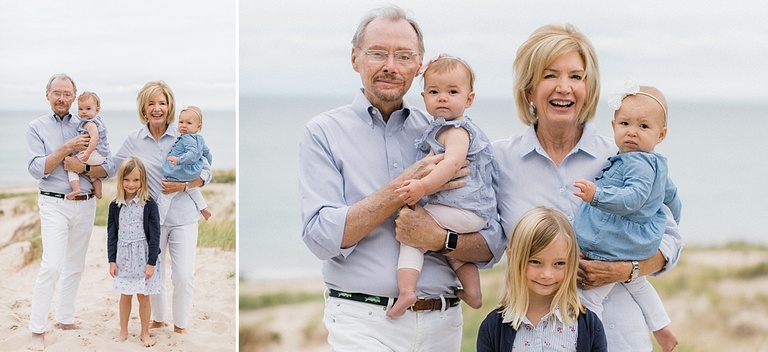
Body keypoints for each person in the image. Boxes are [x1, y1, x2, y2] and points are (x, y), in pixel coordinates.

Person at [298, 6, 504, 351]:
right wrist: (400, 189)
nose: (390, 66)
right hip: (361, 322)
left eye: (404, 56)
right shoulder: (322, 133)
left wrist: (441, 239)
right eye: (378, 53)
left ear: (419, 65)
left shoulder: (446, 131)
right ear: (355, 58)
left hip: (444, 322)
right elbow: (320, 238)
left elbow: (493, 243)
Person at [492, 24, 683, 351]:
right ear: (528, 89)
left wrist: (624, 269)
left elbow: (670, 239)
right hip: (534, 340)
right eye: (550, 75)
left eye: (576, 77)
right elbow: (487, 245)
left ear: (589, 88)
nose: (564, 87)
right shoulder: (499, 159)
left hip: (621, 337)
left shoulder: (624, 157)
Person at [573, 82, 680, 351]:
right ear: (613, 126)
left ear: (661, 134)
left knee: (589, 297)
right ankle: (662, 327)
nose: (632, 132)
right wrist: (658, 222)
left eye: (643, 127)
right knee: (638, 285)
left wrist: (596, 196)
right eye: (625, 124)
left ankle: (589, 342)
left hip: (612, 240)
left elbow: (633, 198)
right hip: (633, 242)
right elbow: (673, 200)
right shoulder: (657, 164)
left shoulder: (636, 163)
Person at [389, 54, 497, 317]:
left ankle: (406, 292)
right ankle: (473, 293)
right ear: (424, 97)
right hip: (469, 212)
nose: (442, 97)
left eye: (452, 91)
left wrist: (422, 187)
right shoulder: (443, 128)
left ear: (468, 99)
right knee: (455, 252)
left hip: (465, 209)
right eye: (434, 91)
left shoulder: (456, 130)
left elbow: (451, 164)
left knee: (414, 234)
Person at [111, 80, 211, 334]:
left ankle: (181, 326)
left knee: (183, 276)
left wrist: (184, 186)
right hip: (151, 220)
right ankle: (158, 319)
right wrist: (86, 168)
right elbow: (113, 167)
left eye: (162, 103)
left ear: (170, 107)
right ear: (143, 109)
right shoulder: (134, 139)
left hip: (184, 216)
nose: (157, 108)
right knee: (154, 273)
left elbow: (207, 171)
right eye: (151, 103)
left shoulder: (184, 136)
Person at [25, 73, 113, 351]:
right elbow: (37, 169)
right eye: (56, 93)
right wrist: (67, 148)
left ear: (74, 97)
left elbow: (108, 166)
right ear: (48, 95)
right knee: (51, 265)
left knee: (76, 266)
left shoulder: (90, 123)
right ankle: (37, 329)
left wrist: (83, 168)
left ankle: (64, 318)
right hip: (53, 202)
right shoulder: (35, 127)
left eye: (66, 94)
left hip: (85, 203)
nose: (62, 98)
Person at [477, 207, 607, 352]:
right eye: (535, 262)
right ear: (513, 257)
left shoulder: (589, 326)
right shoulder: (492, 328)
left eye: (559, 263)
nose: (547, 274)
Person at [107, 157, 161, 347]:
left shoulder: (149, 204)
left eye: (136, 180)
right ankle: (123, 332)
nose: (131, 184)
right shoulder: (115, 205)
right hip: (123, 257)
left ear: (143, 181)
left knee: (144, 296)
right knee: (125, 296)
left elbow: (155, 236)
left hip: (143, 256)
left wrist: (151, 263)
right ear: (121, 180)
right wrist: (111, 260)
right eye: (127, 179)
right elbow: (111, 234)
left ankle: (145, 333)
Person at [158, 106, 213, 223]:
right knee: (193, 190)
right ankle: (203, 209)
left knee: (165, 197)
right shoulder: (200, 139)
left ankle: (159, 221)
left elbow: (191, 154)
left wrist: (179, 160)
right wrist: (209, 161)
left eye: (189, 123)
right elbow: (207, 153)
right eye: (181, 122)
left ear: (199, 126)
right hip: (191, 175)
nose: (183, 125)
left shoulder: (187, 138)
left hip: (179, 173)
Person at [66, 91, 108, 200]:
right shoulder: (99, 121)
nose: (84, 112)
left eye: (88, 109)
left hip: (93, 154)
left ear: (97, 110)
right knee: (93, 175)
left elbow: (95, 137)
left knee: (71, 164)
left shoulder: (89, 123)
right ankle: (98, 193)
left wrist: (88, 152)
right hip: (100, 155)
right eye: (81, 109)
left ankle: (76, 189)